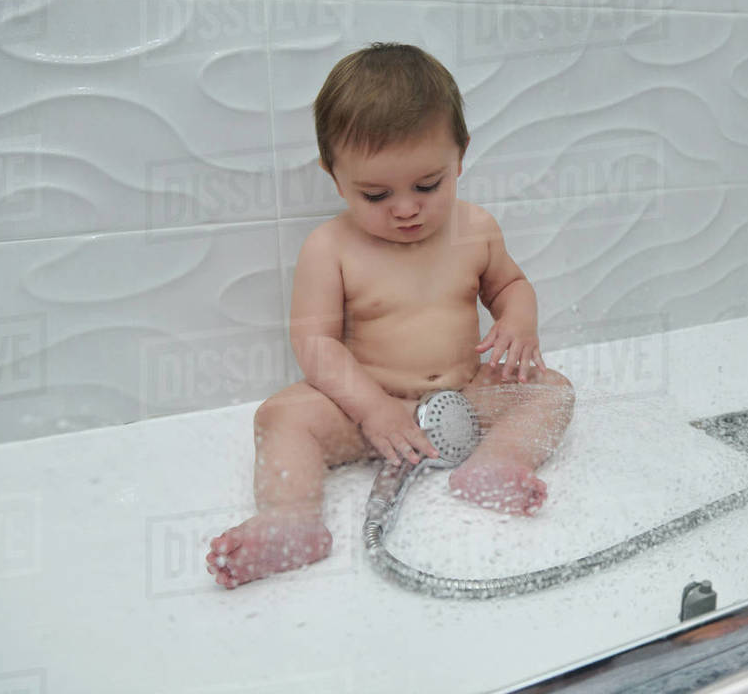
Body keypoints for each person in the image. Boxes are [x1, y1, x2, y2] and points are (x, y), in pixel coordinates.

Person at [206, 42, 575, 589]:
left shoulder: (475, 228)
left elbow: (510, 286)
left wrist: (519, 321)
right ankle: (292, 520)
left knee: (552, 391)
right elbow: (315, 345)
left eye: (428, 185)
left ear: (460, 156)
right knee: (281, 416)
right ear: (335, 176)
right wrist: (373, 409)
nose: (406, 208)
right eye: (375, 194)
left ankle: (495, 463)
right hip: (370, 411)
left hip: (466, 398)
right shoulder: (329, 248)